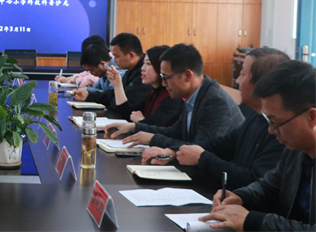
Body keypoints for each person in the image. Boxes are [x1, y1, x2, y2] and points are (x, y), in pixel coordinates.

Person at [201, 60, 316, 231]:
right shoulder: (296, 150)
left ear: (312, 117)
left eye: (276, 122)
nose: (270, 130)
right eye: (267, 120)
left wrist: (252, 221)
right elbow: (269, 187)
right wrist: (241, 197)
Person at [104, 44, 244, 160]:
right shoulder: (195, 95)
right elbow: (175, 132)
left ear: (187, 76)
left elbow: (199, 149)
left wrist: (154, 139)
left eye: (166, 77)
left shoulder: (215, 102)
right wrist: (133, 127)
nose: (164, 84)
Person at [174, 48, 287, 190]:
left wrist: (202, 158)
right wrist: (176, 151)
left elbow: (254, 179)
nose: (238, 80)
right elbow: (221, 145)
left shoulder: (281, 131)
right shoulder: (255, 116)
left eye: (242, 74)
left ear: (261, 83)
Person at [74, 33, 152, 117]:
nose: (114, 60)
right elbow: (113, 94)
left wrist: (114, 97)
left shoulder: (143, 74)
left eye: (116, 56)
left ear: (131, 55)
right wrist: (89, 95)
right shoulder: (131, 70)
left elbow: (122, 105)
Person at [109, 45, 184, 126]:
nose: (142, 68)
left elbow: (153, 128)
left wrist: (140, 120)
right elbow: (128, 114)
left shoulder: (172, 98)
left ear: (162, 67)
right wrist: (117, 84)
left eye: (148, 64)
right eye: (144, 63)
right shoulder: (153, 93)